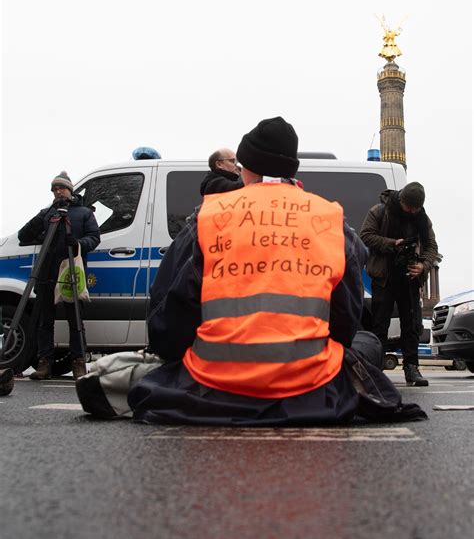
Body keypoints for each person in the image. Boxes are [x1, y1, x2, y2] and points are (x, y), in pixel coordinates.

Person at [100, 116, 424, 426]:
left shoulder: (210, 216)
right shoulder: (330, 219)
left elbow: (167, 319)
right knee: (368, 342)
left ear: (246, 168)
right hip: (310, 387)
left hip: (212, 384)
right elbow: (345, 322)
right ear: (290, 169)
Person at [18, 171, 100, 380]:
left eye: (61, 188)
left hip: (71, 272)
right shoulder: (47, 213)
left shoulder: (84, 213)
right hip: (46, 272)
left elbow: (94, 238)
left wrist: (79, 244)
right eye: (54, 189)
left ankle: (79, 363)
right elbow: (24, 236)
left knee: (75, 320)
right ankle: (44, 363)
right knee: (45, 322)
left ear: (70, 190)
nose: (57, 192)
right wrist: (42, 216)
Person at [360, 182, 438, 386]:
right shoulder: (379, 211)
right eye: (409, 207)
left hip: (410, 278)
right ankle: (375, 369)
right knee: (379, 325)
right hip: (384, 277)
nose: (412, 211)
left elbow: (431, 246)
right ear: (401, 199)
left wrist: (423, 265)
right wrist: (392, 243)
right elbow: (365, 236)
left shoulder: (422, 218)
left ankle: (412, 369)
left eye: (416, 208)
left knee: (411, 326)